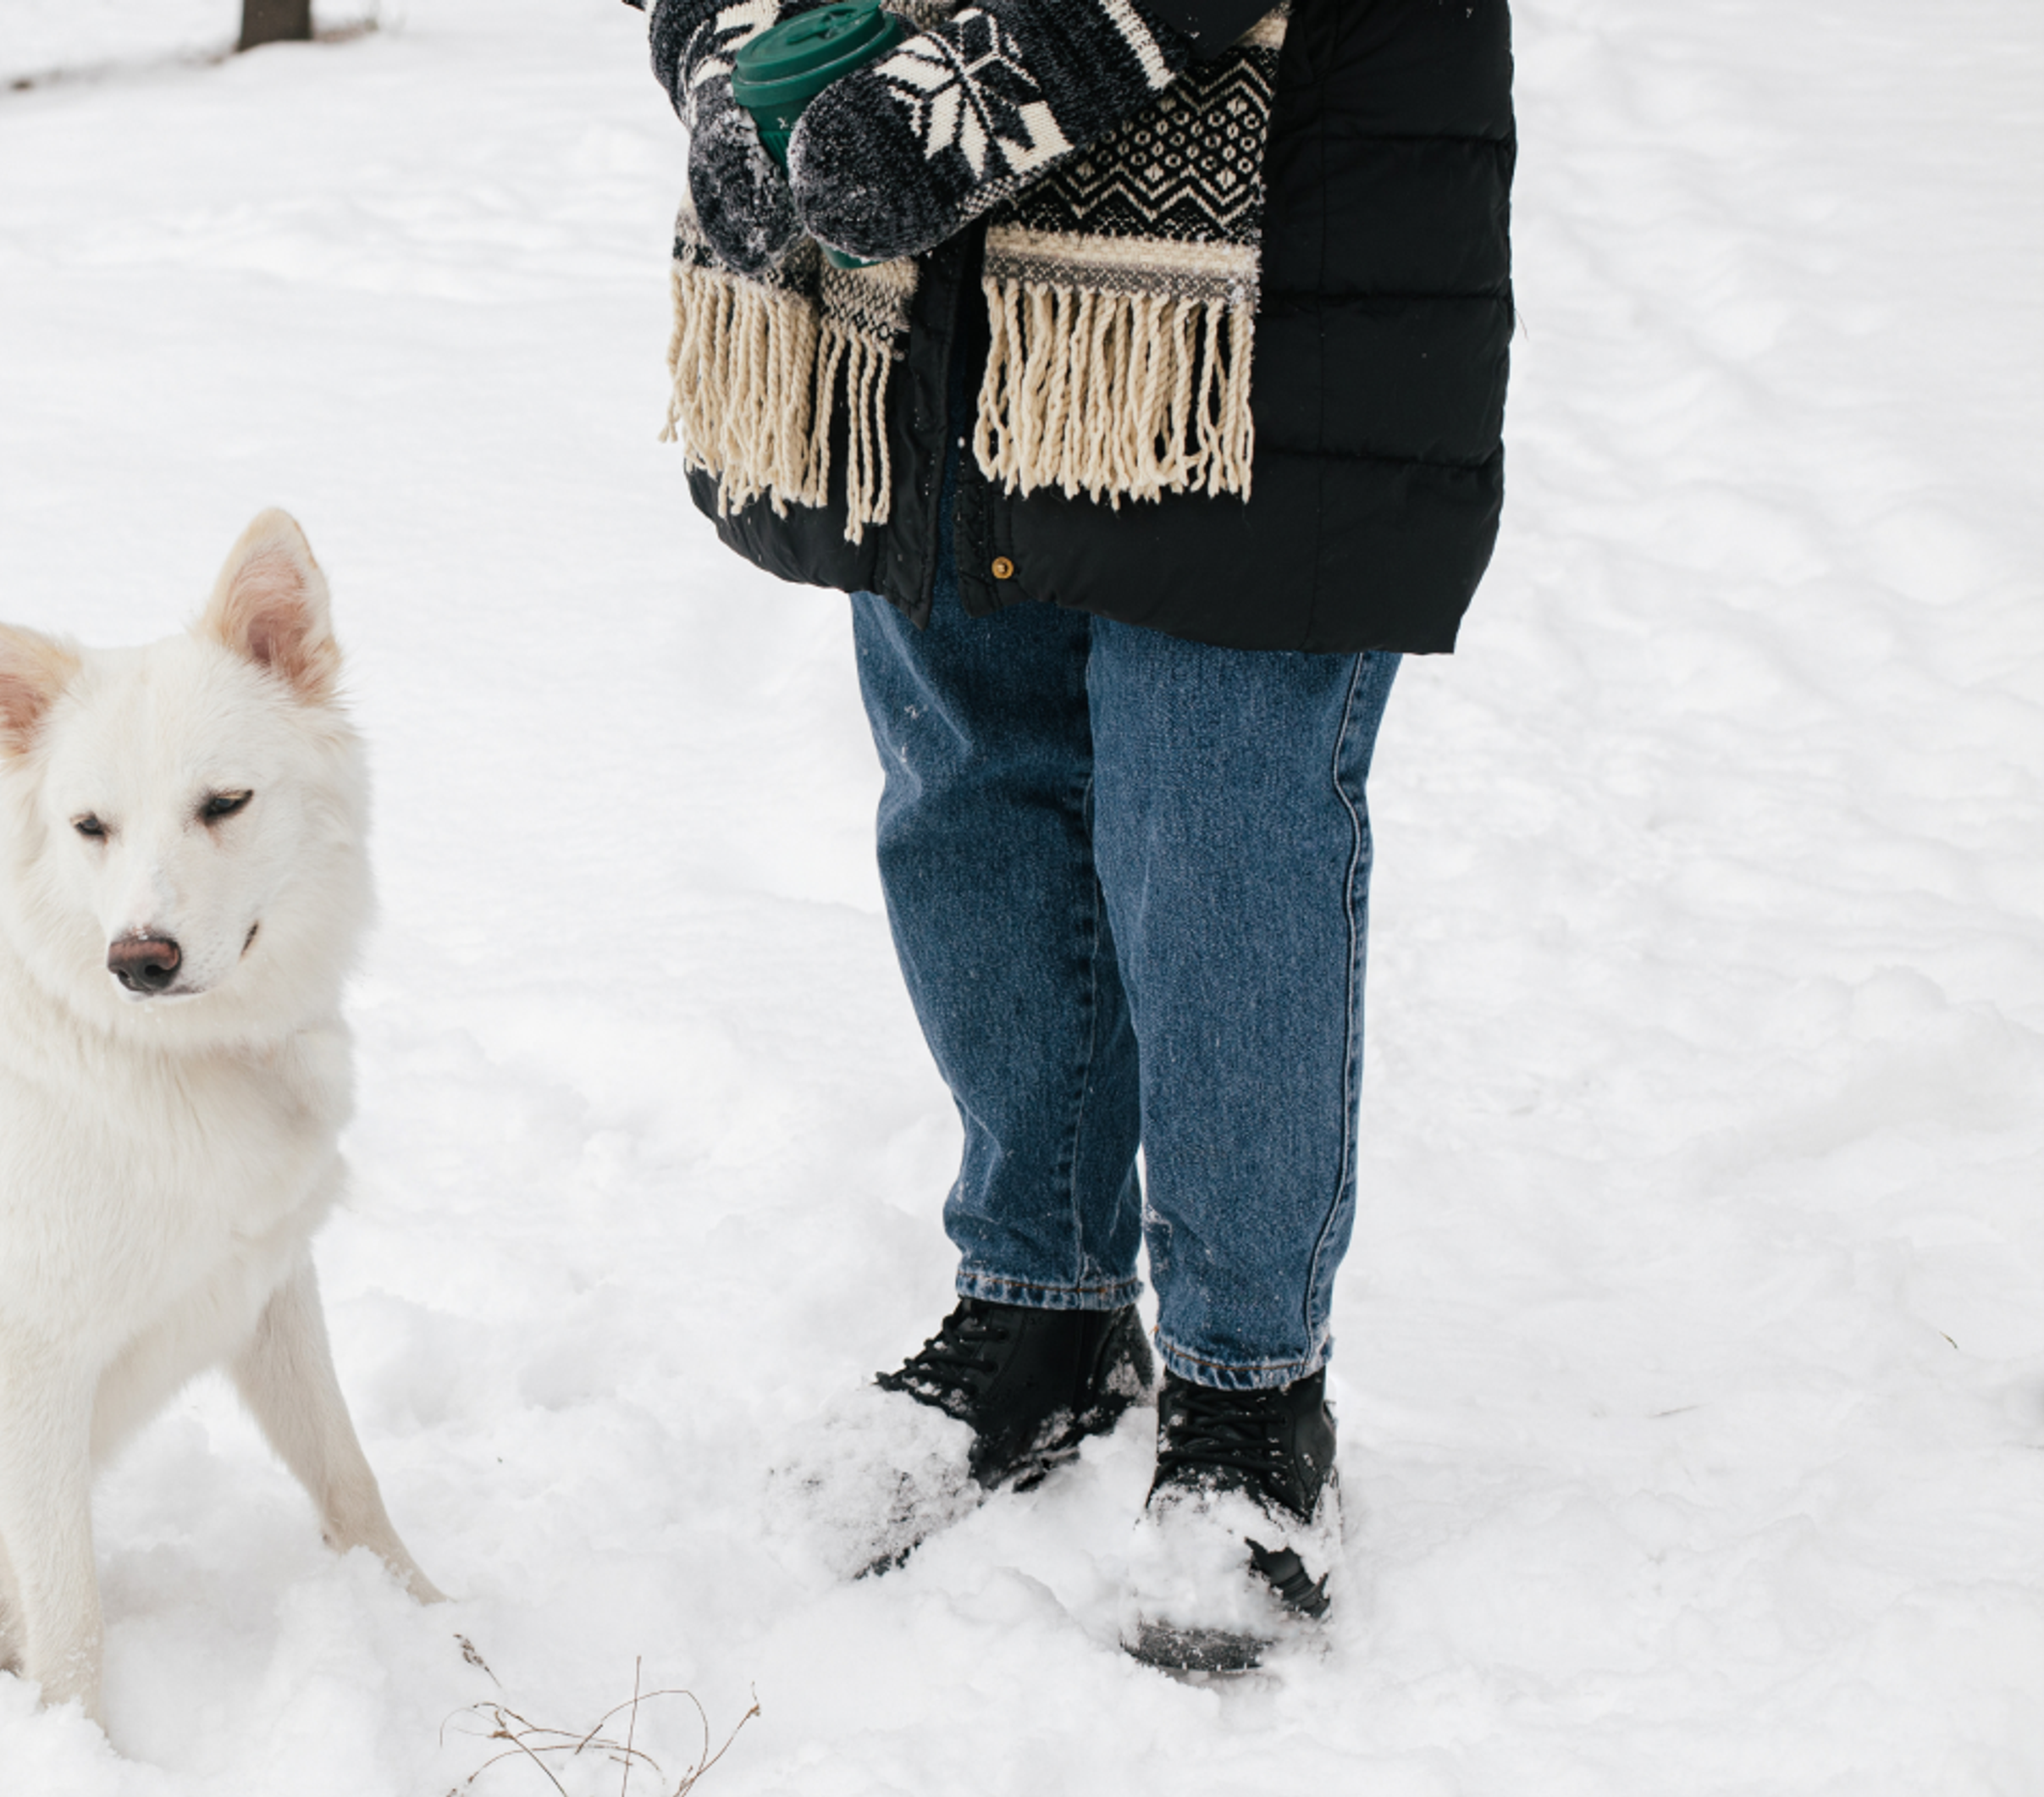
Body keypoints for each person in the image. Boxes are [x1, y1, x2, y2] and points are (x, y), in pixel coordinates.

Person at [637, 0, 1513, 1669]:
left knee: (1220, 810)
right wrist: (733, 62)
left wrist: (960, 96)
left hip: (1273, 231)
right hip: (916, 279)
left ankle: (1252, 1404)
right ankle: (1039, 1302)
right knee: (975, 767)